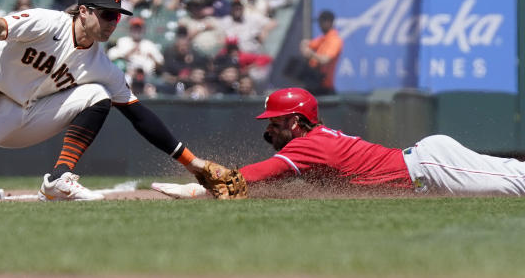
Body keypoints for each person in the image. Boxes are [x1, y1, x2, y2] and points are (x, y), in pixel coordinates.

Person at [0, 0, 224, 202]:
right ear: (85, 11)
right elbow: (1, 26)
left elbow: (139, 116)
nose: (112, 23)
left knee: (97, 96)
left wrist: (194, 164)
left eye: (117, 18)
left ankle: (59, 179)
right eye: (107, 15)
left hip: (29, 114)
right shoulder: (48, 23)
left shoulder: (102, 65)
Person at [153, 87, 525, 198]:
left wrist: (197, 188)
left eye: (276, 122)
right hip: (427, 168)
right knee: (511, 174)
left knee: (513, 183)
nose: (269, 130)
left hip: (429, 168)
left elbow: (250, 175)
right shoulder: (311, 141)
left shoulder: (306, 146)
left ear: (296, 122)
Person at [298, 10, 343, 95]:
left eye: (321, 22)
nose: (319, 25)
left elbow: (325, 60)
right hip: (313, 83)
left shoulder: (335, 40)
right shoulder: (323, 38)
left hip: (324, 86)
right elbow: (305, 43)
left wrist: (311, 54)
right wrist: (306, 51)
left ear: (329, 22)